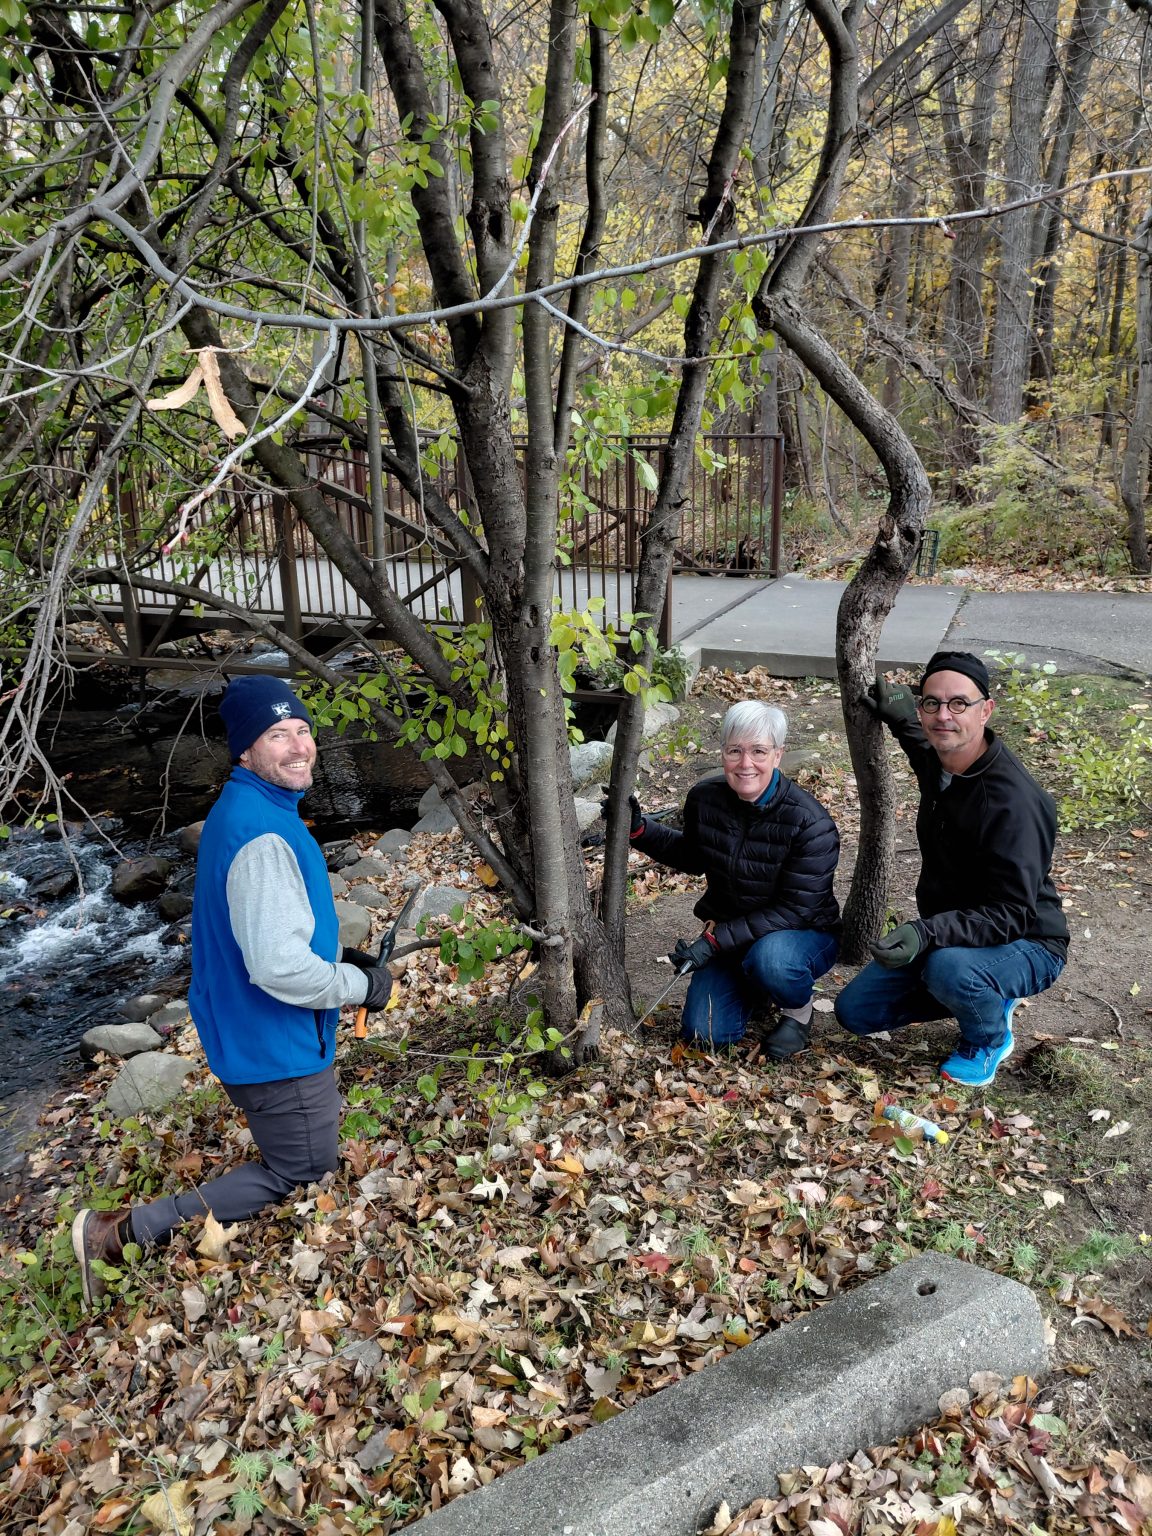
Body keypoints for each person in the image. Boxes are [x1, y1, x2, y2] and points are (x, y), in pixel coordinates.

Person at [71, 676, 396, 1306]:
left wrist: (333, 954)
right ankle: (117, 1234)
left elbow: (271, 932)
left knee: (305, 1150)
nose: (299, 745)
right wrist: (360, 985)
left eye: (302, 729)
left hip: (250, 1031)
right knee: (302, 1171)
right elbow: (277, 969)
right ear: (245, 752)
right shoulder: (263, 835)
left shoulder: (251, 810)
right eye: (277, 735)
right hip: (272, 1042)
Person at [834, 650, 1069, 1086]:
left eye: (959, 703)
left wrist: (927, 933)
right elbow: (921, 742)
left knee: (950, 972)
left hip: (1028, 941)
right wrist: (901, 716)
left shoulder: (1013, 803)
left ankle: (988, 1037)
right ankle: (979, 987)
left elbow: (1014, 914)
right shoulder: (942, 762)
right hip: (957, 936)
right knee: (856, 1012)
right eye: (932, 703)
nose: (944, 715)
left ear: (986, 711)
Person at [615, 699, 840, 1058]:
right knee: (705, 1035)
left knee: (772, 961)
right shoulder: (706, 798)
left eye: (759, 751)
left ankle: (797, 1012)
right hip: (732, 936)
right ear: (722, 752)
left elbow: (796, 910)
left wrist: (715, 941)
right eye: (735, 750)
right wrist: (640, 830)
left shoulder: (811, 824)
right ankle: (756, 989)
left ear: (778, 755)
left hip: (801, 935)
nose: (745, 763)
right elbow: (691, 855)